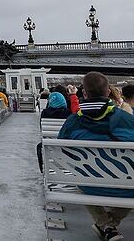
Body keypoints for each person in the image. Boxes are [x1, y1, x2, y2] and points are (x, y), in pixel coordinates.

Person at [58, 72, 134, 240]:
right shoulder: (127, 120)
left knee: (81, 174)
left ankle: (106, 224)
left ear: (84, 94)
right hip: (128, 187)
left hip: (90, 185)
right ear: (108, 93)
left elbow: (63, 152)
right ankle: (109, 224)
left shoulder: (72, 122)